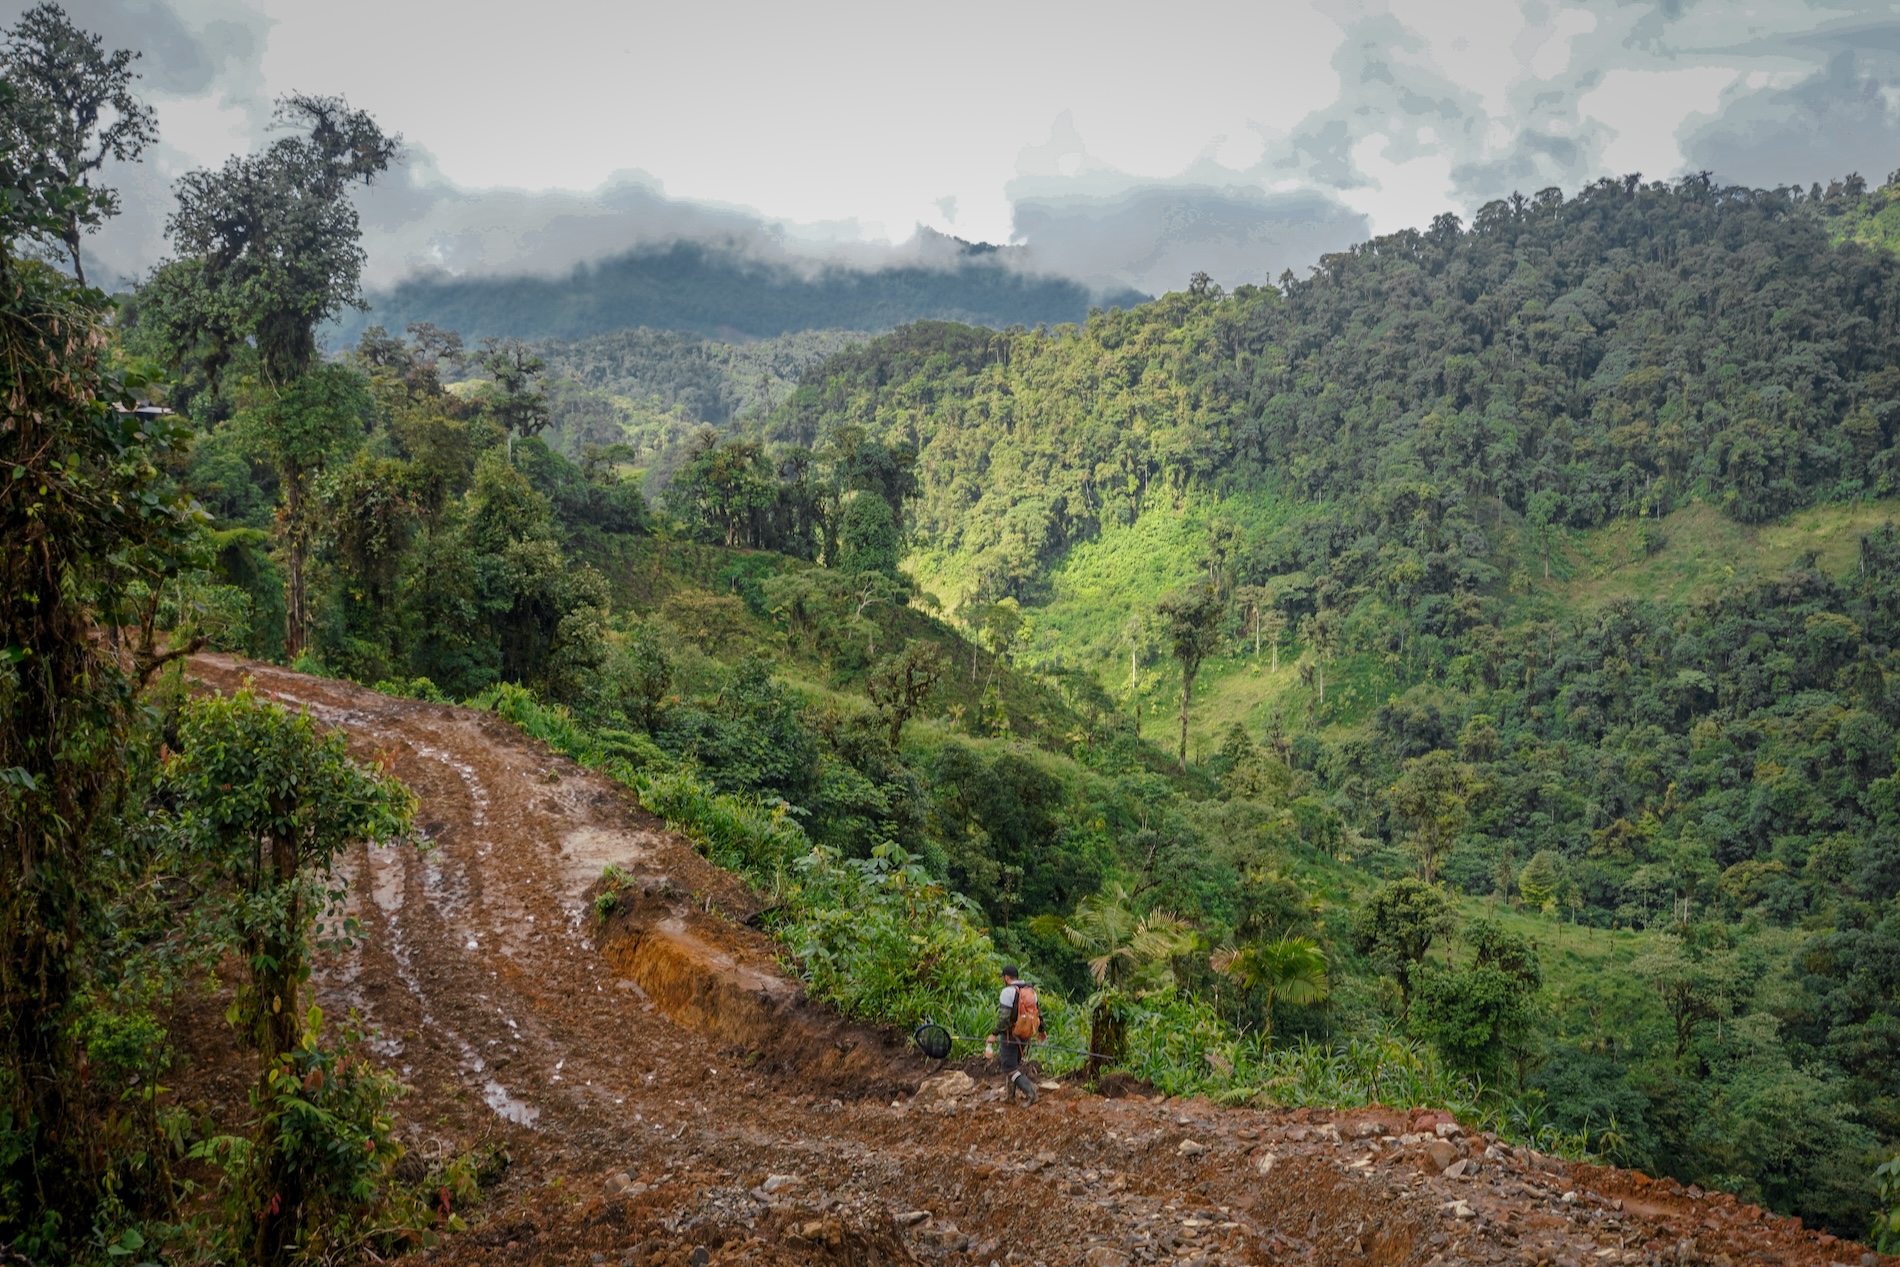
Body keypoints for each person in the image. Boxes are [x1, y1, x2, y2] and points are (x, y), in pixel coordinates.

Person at [985, 964, 1041, 1104]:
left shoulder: (1008, 992)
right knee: (1013, 1065)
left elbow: (1004, 1018)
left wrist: (994, 1034)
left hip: (1010, 1035)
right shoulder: (1030, 991)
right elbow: (1038, 1013)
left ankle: (1031, 1094)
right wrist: (1042, 1030)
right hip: (1025, 1034)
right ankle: (1010, 1097)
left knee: (1009, 1068)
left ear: (1006, 977)